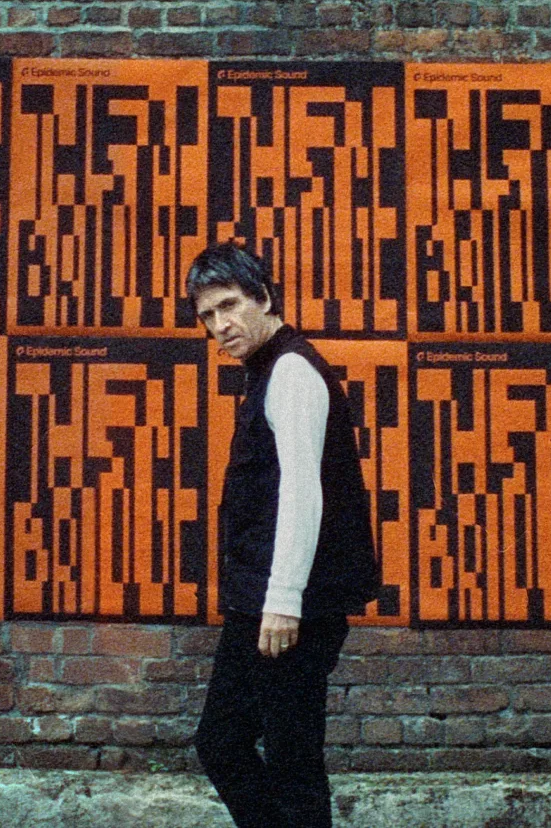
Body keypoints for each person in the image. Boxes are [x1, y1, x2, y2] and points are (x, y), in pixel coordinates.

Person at [187, 241, 379, 828]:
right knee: (249, 747)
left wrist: (283, 602)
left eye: (229, 305)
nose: (221, 325)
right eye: (208, 316)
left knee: (276, 755)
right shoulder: (269, 371)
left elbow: (303, 491)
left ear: (264, 298)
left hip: (287, 606)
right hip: (269, 600)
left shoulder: (292, 371)